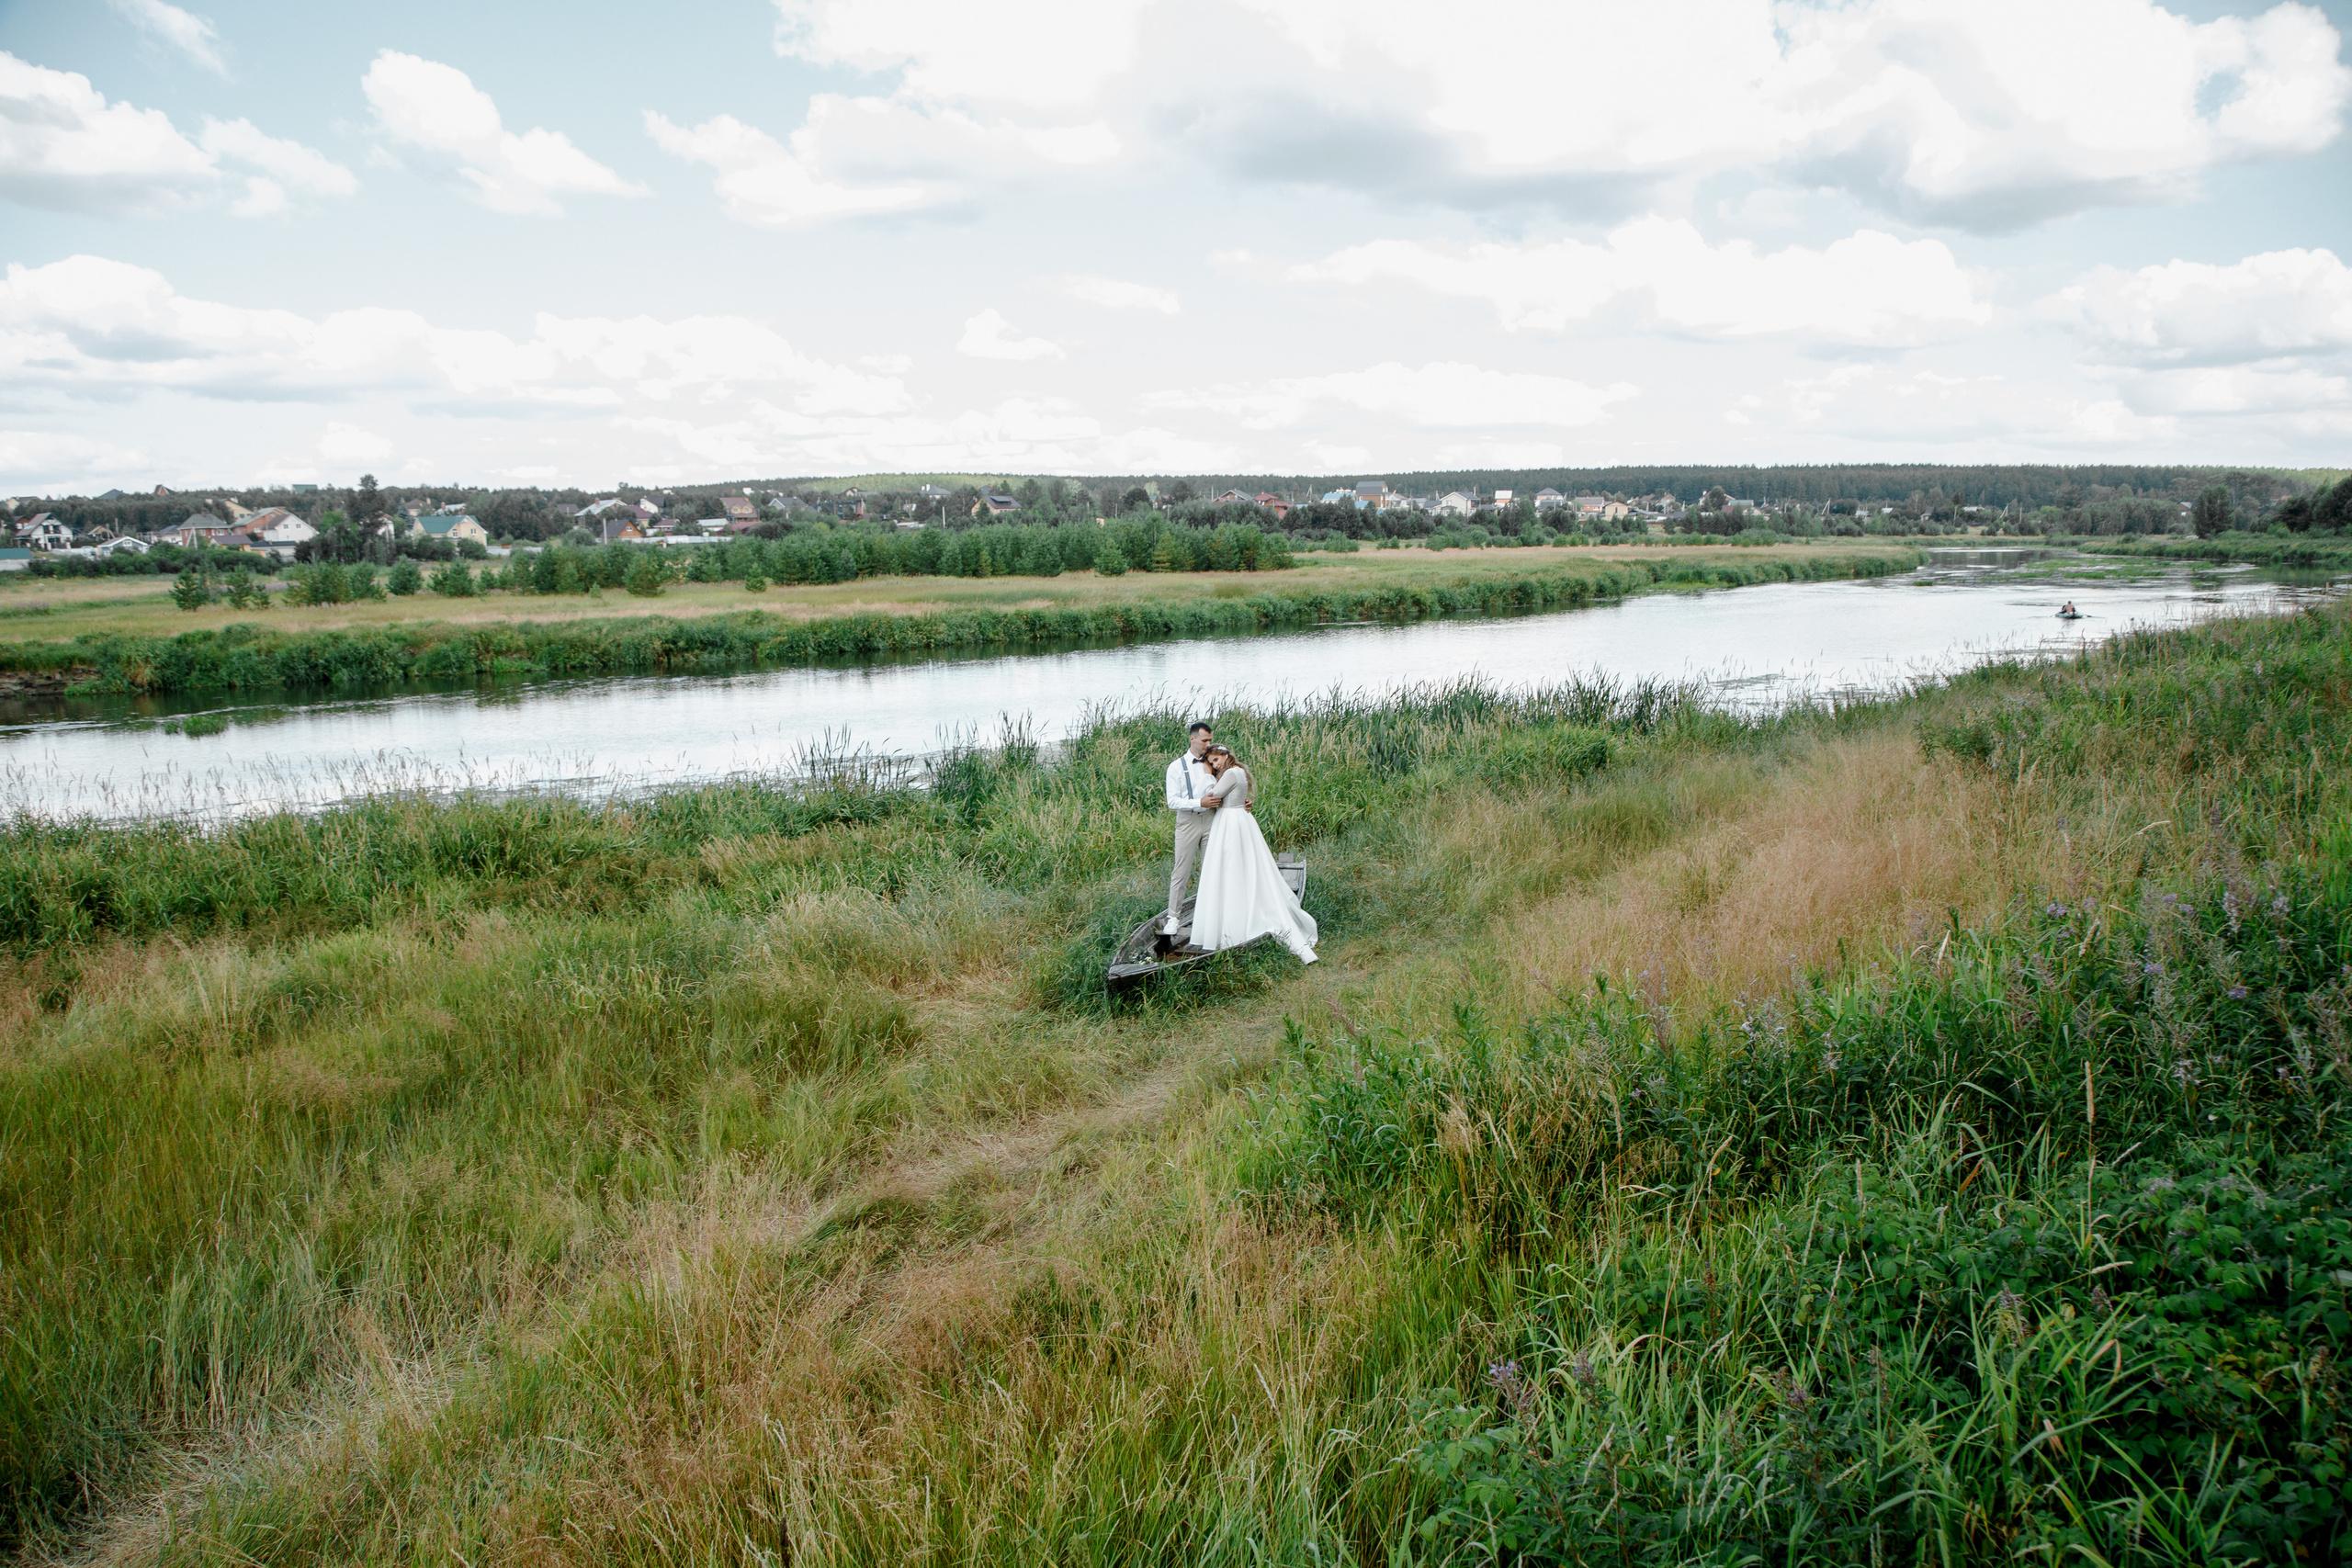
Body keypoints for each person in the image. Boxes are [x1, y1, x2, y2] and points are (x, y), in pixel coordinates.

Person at [1190, 744, 1317, 963]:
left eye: (1215, 760)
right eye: (1211, 763)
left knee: (1231, 867)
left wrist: (1206, 775)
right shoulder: (1237, 771)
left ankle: (1233, 924)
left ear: (1225, 756)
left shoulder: (1230, 773)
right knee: (1239, 867)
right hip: (1237, 819)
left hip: (1231, 822)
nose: (1214, 765)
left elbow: (1213, 796)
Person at [1163, 721, 1219, 936]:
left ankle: (1209, 915)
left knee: (1211, 869)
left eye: (1210, 740)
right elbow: (1172, 801)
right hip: (1188, 822)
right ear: (1192, 739)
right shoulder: (1176, 767)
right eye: (1205, 740)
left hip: (1212, 820)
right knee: (1181, 871)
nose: (1208, 744)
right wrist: (1199, 803)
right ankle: (1173, 918)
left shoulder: (1213, 763)